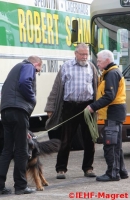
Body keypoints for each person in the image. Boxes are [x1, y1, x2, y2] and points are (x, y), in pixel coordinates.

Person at [45, 43, 98, 179]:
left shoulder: (91, 67)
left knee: (89, 139)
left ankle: (88, 168)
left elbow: (97, 86)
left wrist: (96, 106)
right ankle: (61, 169)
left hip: (87, 106)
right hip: (70, 106)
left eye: (86, 54)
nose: (85, 57)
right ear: (75, 54)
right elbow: (56, 89)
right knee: (66, 139)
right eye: (82, 54)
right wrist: (50, 107)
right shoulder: (66, 67)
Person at [0, 56, 42, 195]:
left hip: (6, 111)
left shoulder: (15, 69)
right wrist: (33, 98)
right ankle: (21, 186)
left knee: (7, 150)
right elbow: (25, 82)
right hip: (19, 111)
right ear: (37, 64)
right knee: (21, 150)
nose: (37, 73)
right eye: (38, 70)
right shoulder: (28, 66)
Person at [87, 50, 129, 181]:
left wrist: (93, 107)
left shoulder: (111, 73)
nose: (97, 63)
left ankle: (112, 173)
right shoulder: (110, 72)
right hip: (114, 112)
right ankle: (121, 171)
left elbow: (109, 96)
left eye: (99, 61)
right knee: (116, 145)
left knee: (109, 144)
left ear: (107, 60)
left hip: (113, 112)